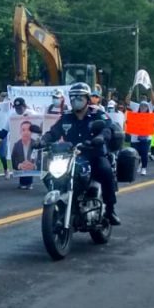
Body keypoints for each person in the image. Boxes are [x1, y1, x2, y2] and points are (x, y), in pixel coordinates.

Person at [45, 83, 121, 225]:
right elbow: (54, 132)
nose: (76, 101)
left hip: (94, 154)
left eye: (79, 97)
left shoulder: (97, 113)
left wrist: (101, 137)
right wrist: (43, 140)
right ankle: (63, 205)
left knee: (106, 171)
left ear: (87, 99)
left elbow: (108, 127)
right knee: (51, 174)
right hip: (72, 156)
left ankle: (110, 210)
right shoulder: (66, 117)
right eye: (73, 98)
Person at [11, 97, 34, 187]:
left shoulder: (31, 113)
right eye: (16, 108)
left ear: (24, 106)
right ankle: (22, 182)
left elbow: (39, 120)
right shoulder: (13, 115)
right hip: (21, 142)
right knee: (21, 157)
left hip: (31, 142)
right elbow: (6, 127)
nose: (18, 110)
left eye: (20, 108)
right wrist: (1, 137)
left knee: (30, 158)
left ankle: (29, 183)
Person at [133, 101, 152, 175]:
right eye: (142, 106)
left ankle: (144, 168)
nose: (143, 108)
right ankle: (138, 165)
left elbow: (153, 100)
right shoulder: (135, 115)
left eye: (145, 106)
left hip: (146, 138)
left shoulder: (149, 116)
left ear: (147, 108)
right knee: (136, 154)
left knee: (144, 153)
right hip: (135, 138)